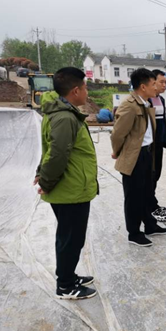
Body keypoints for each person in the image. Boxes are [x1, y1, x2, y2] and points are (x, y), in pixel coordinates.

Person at [34, 67, 98, 300]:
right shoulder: (64, 117)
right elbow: (57, 154)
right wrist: (46, 180)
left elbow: (50, 148)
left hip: (71, 187)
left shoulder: (61, 112)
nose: (87, 92)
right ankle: (65, 285)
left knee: (70, 237)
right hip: (70, 189)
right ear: (75, 91)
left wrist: (41, 172)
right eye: (85, 87)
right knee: (70, 239)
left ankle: (68, 275)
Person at [111, 68, 166, 247]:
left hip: (147, 153)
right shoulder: (129, 105)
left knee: (146, 193)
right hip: (134, 156)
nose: (156, 87)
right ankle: (134, 233)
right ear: (143, 87)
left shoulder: (145, 103)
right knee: (133, 197)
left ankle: (150, 226)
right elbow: (117, 134)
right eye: (153, 84)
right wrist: (118, 152)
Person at [148, 69, 166, 222]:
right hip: (149, 145)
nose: (164, 85)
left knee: (156, 174)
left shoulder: (160, 99)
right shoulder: (147, 100)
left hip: (159, 143)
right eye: (161, 82)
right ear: (153, 82)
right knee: (150, 176)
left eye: (165, 82)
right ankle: (151, 207)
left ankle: (152, 202)